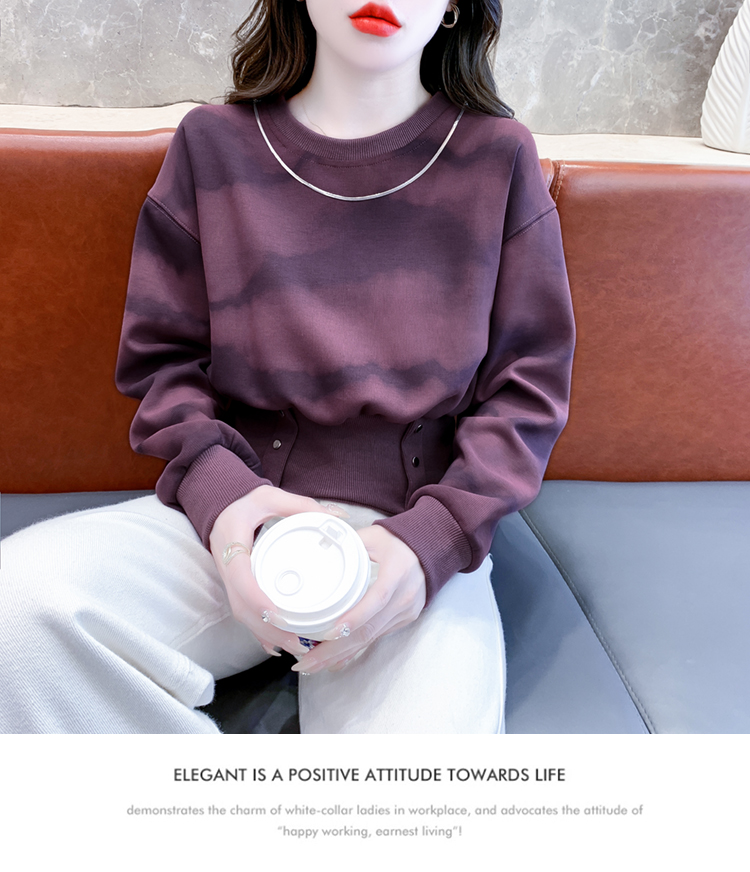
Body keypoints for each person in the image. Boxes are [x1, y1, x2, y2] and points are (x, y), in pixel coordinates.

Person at [0, 0, 574, 733]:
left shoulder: (498, 158)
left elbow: (528, 389)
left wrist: (434, 538)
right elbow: (162, 361)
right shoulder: (213, 146)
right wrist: (224, 501)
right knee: (18, 614)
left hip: (411, 537)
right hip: (238, 514)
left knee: (423, 784)